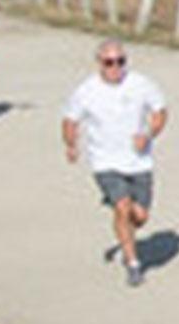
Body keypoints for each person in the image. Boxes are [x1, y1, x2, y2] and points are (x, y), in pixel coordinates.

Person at [61, 40, 167, 288]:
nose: (115, 67)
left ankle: (123, 216)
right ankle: (133, 264)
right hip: (105, 161)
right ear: (99, 63)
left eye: (120, 61)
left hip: (139, 162)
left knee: (139, 217)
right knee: (123, 208)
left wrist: (149, 134)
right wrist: (70, 144)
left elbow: (160, 111)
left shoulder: (141, 84)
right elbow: (70, 120)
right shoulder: (86, 91)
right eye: (109, 62)